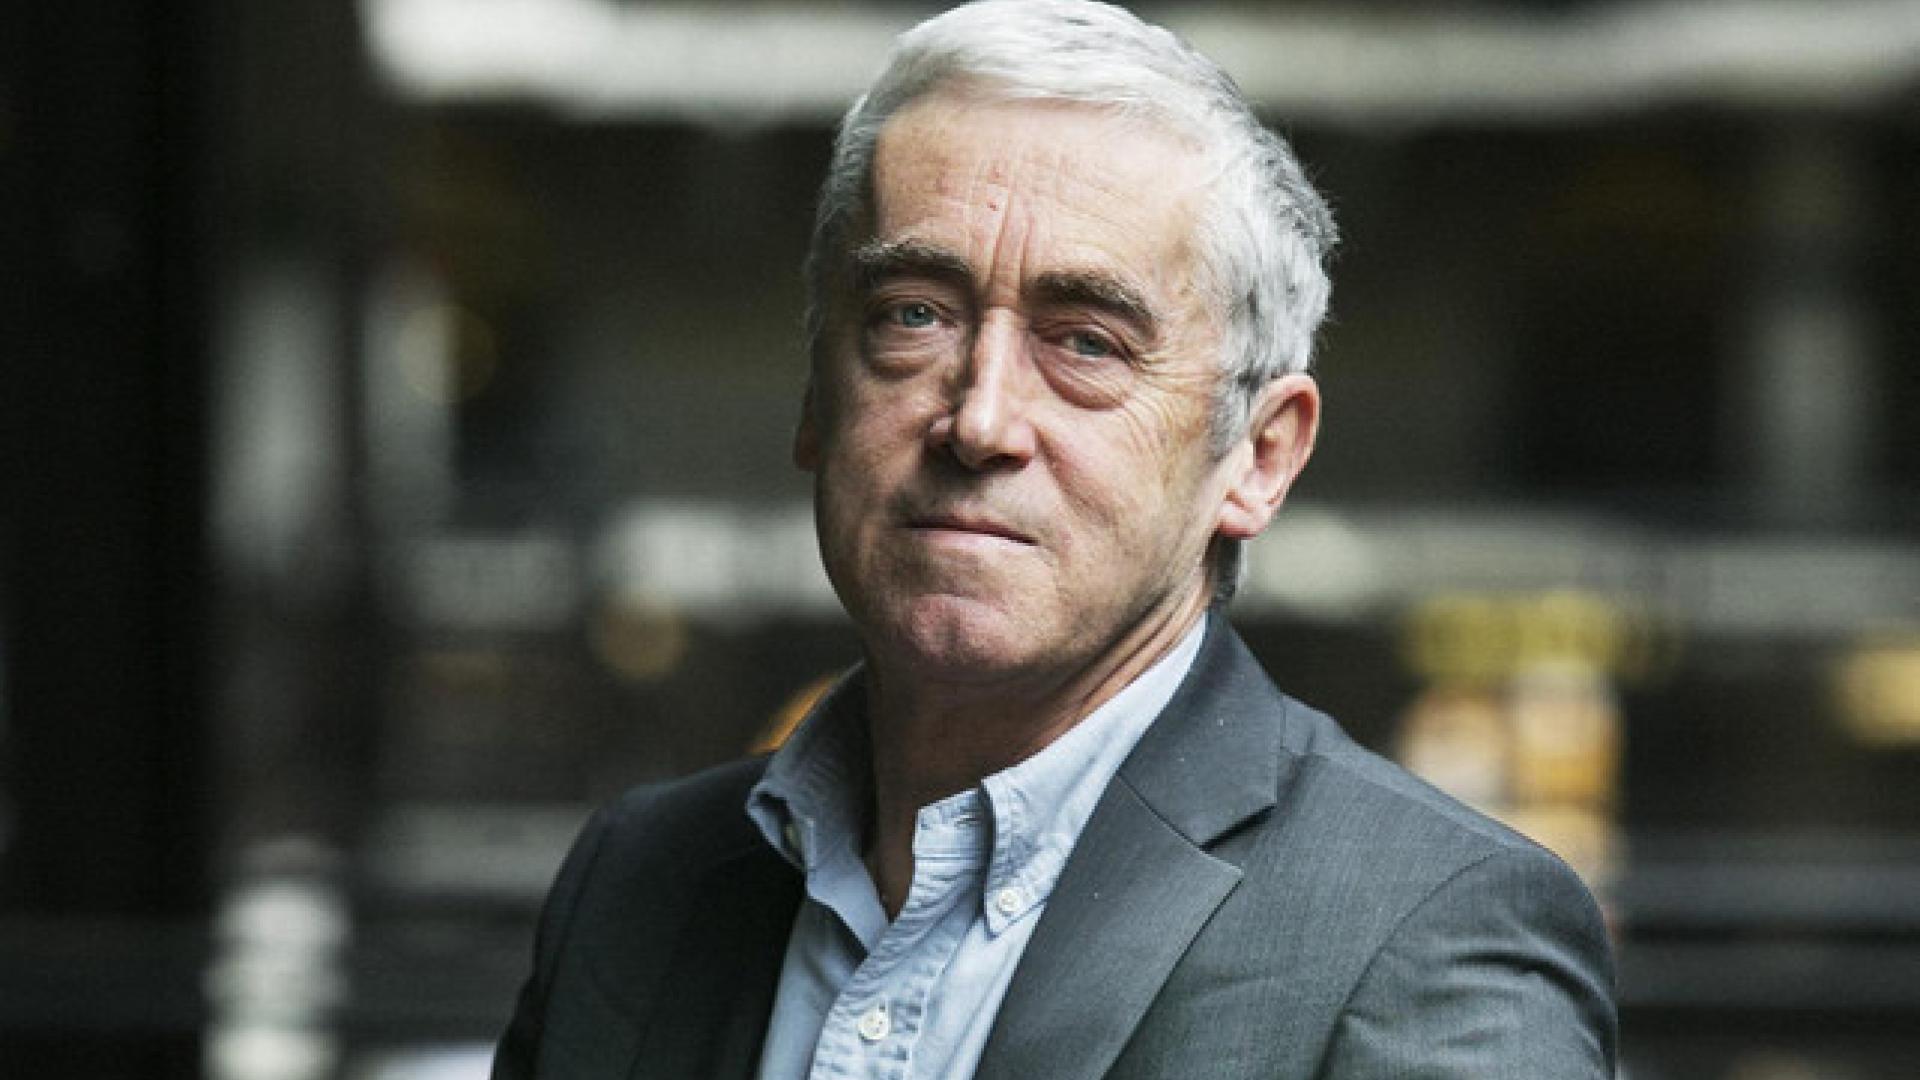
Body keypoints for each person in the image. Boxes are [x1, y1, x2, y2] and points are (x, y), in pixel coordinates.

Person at [493, 2, 1617, 1077]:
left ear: (1259, 457)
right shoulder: (635, 884)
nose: (979, 420)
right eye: (913, 316)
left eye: (1086, 342)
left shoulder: (1428, 936)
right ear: (814, 397)